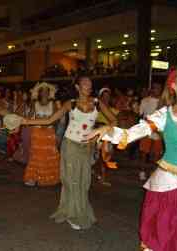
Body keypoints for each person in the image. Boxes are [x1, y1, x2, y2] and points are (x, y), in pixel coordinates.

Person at [86, 67, 177, 251]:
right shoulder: (164, 114)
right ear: (173, 85)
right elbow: (134, 132)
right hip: (167, 184)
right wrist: (109, 131)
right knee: (163, 235)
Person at [22, 75, 117, 230]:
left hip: (86, 148)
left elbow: (114, 120)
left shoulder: (97, 103)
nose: (88, 86)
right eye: (85, 83)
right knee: (71, 181)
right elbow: (49, 120)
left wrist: (103, 129)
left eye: (90, 83)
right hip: (70, 145)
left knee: (84, 181)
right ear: (78, 87)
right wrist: (25, 121)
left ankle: (80, 210)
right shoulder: (70, 104)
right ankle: (73, 214)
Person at [23, 82, 60, 187]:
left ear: (49, 93)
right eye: (42, 91)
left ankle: (47, 178)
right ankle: (33, 177)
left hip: (49, 133)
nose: (44, 93)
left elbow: (56, 118)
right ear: (39, 93)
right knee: (36, 155)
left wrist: (48, 123)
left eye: (46, 91)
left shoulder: (53, 104)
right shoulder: (35, 103)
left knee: (48, 155)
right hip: (37, 133)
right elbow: (30, 117)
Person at [138, 83, 163, 180]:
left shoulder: (163, 102)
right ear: (152, 89)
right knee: (144, 153)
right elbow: (140, 115)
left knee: (156, 155)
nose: (158, 90)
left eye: (159, 89)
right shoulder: (145, 100)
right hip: (147, 130)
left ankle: (153, 173)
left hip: (159, 132)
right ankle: (142, 171)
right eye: (156, 88)